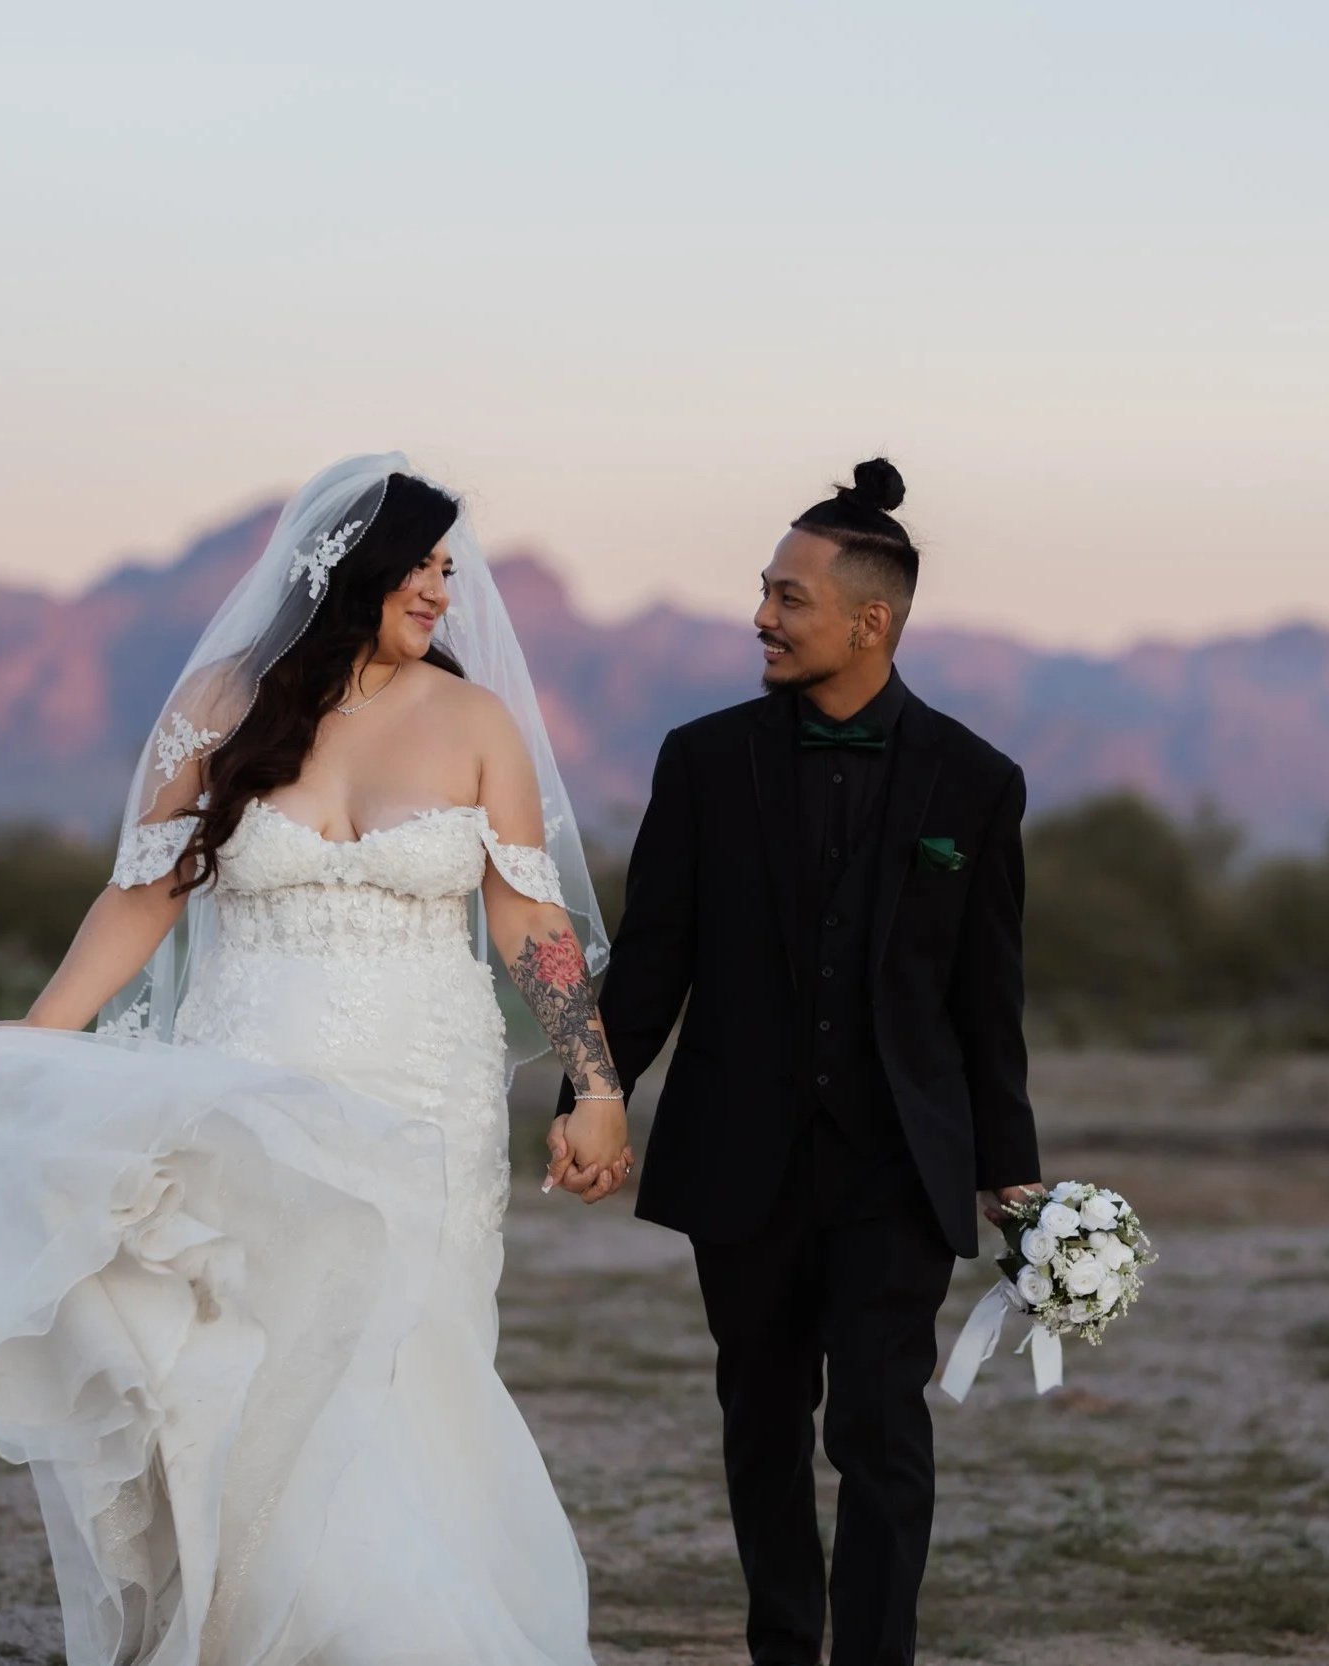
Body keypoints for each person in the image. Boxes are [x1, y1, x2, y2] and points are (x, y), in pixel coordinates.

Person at [0, 454, 633, 1666]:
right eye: (420, 564)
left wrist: (594, 1079)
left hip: (426, 1091)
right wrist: (42, 1035)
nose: (442, 589)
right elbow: (146, 891)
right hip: (246, 1078)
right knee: (254, 1364)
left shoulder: (476, 724)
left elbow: (533, 923)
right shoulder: (224, 701)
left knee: (409, 1361)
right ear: (345, 567)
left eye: (447, 566)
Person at [554, 458, 1044, 1664]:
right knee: (761, 1424)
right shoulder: (704, 760)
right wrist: (590, 1097)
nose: (760, 618)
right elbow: (654, 954)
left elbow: (988, 1000)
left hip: (897, 1168)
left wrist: (1010, 1170)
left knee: (882, 1430)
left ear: (869, 620)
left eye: (788, 598)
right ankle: (783, 1643)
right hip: (742, 1158)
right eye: (763, 593)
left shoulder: (975, 783)